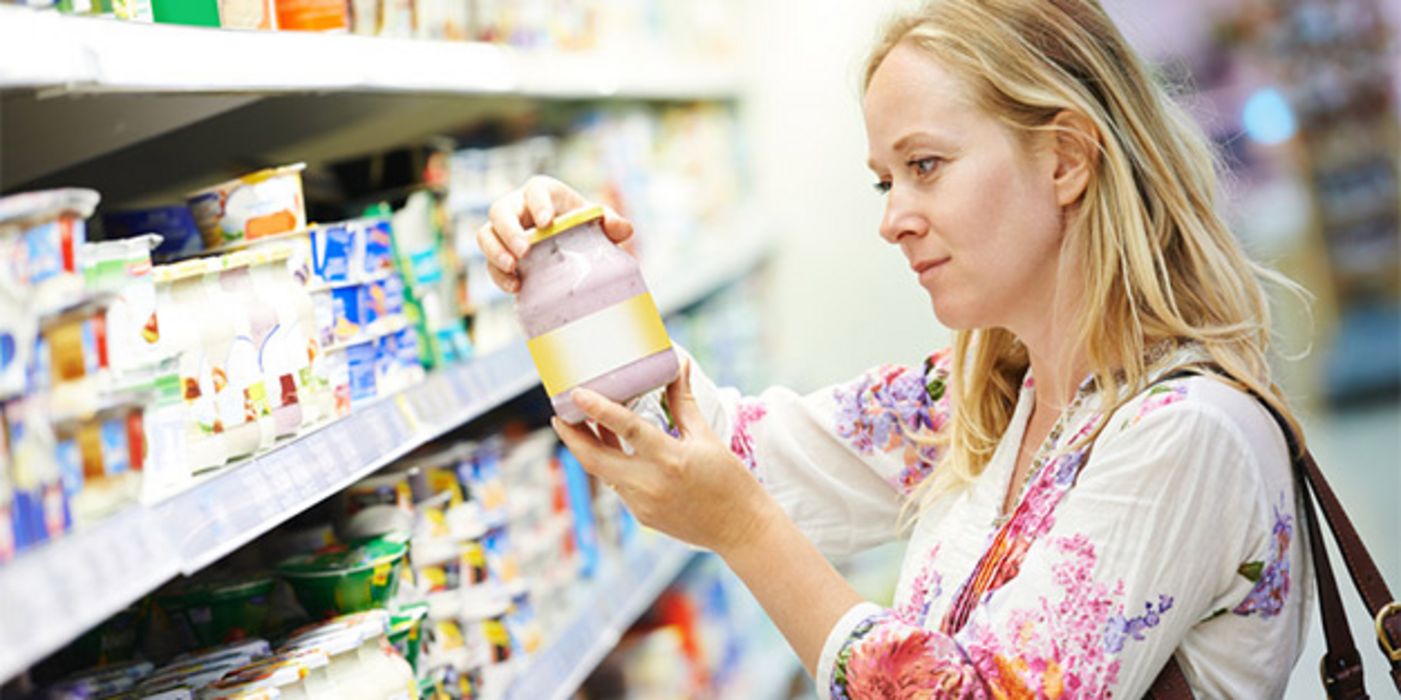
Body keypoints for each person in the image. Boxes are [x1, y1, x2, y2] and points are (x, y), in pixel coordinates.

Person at [477, 0, 1310, 696]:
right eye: (885, 179)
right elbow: (722, 451)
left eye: (925, 165)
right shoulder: (981, 397)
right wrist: (571, 271)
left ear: (1065, 158)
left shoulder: (1183, 435)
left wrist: (744, 531)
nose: (892, 218)